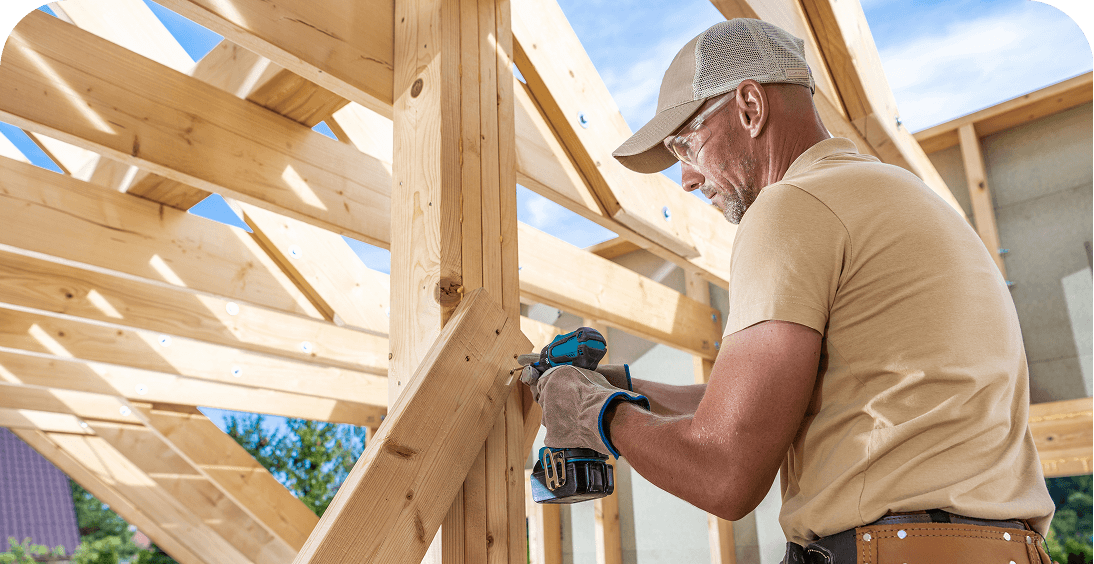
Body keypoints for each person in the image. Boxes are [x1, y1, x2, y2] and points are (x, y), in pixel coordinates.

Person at [521, 18, 1056, 564]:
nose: (685, 179)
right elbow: (762, 406)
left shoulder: (793, 205)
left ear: (750, 107)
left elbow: (724, 469)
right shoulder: (898, 197)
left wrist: (597, 413)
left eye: (685, 145)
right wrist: (627, 385)